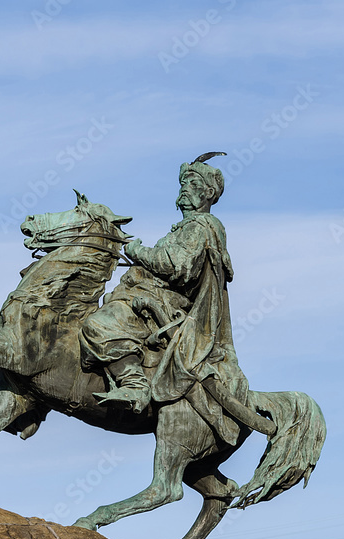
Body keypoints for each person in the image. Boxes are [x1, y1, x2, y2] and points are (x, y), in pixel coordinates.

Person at [80, 153, 248, 445]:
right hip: (151, 296)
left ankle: (134, 385)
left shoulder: (202, 227)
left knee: (99, 325)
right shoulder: (188, 228)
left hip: (167, 306)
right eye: (182, 183)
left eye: (192, 183)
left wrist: (137, 251)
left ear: (206, 193)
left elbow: (175, 265)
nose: (184, 188)